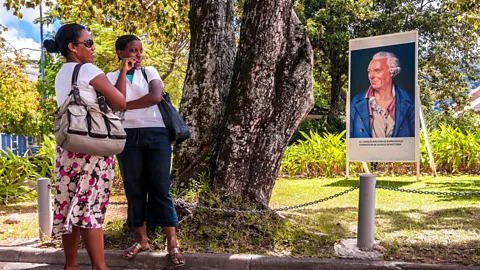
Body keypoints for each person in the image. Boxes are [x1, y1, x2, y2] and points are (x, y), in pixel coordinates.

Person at [44, 23, 135, 270]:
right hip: (92, 147)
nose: (93, 48)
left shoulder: (62, 73)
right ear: (73, 47)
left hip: (68, 148)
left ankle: (71, 264)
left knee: (69, 205)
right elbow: (119, 103)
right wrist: (122, 74)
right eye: (89, 43)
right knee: (90, 208)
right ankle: (100, 267)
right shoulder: (88, 70)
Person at [106, 35, 185, 266]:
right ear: (120, 53)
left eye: (140, 50)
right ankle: (142, 240)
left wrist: (124, 106)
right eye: (132, 50)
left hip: (156, 134)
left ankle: (173, 242)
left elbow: (155, 96)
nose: (138, 54)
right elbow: (115, 99)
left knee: (160, 187)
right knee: (134, 189)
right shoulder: (111, 77)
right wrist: (123, 72)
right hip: (127, 136)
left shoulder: (150, 71)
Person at [350, 51, 415, 138]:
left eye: (377, 70)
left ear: (391, 72)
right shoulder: (356, 102)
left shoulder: (409, 102)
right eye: (369, 71)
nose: (371, 76)